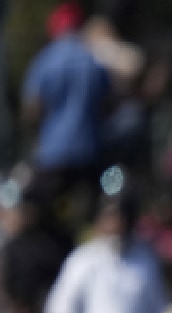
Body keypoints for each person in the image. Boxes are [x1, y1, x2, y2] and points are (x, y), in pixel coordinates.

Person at [21, 3, 108, 207]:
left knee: (47, 213)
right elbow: (107, 102)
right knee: (88, 210)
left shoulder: (45, 59)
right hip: (89, 149)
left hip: (53, 152)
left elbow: (32, 108)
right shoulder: (93, 60)